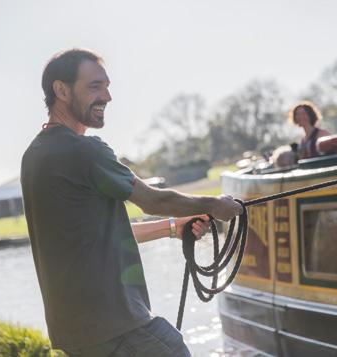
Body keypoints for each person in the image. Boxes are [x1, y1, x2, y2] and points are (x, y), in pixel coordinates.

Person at [20, 48, 242, 357]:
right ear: (61, 90)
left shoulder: (34, 156)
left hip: (75, 333)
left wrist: (173, 227)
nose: (107, 96)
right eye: (95, 86)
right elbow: (153, 199)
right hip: (117, 325)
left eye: (107, 86)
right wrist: (215, 204)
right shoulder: (85, 151)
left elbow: (97, 234)